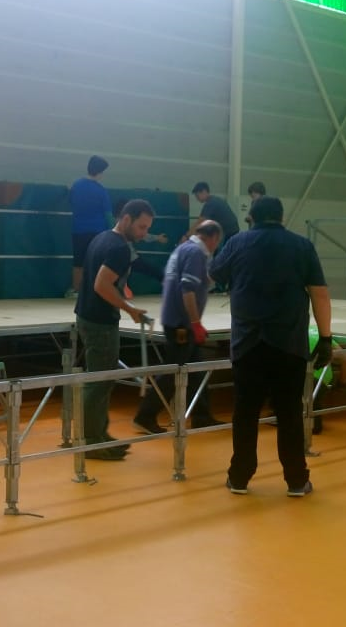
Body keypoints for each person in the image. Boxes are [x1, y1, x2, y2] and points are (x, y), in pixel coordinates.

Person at [210, 196, 331, 497]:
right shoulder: (302, 246)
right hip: (288, 344)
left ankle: (239, 477)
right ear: (281, 217)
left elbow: (214, 274)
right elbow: (319, 293)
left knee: (245, 413)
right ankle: (296, 480)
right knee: (290, 413)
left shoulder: (237, 243)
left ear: (251, 217)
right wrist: (326, 338)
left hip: (248, 344)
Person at [74, 199, 154, 460]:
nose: (144, 233)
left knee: (103, 380)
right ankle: (89, 441)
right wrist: (129, 308)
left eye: (147, 228)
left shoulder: (101, 238)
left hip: (87, 316)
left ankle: (99, 434)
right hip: (100, 321)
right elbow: (101, 284)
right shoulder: (119, 248)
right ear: (127, 219)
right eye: (141, 227)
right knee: (99, 382)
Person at [131, 220, 225, 434]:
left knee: (195, 370)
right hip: (182, 323)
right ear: (213, 238)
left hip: (175, 319)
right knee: (173, 371)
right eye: (217, 241)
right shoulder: (196, 253)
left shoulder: (183, 249)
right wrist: (195, 323)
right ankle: (145, 416)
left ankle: (202, 415)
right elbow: (187, 289)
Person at [68, 156, 112, 298]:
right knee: (97, 262)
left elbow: (71, 201)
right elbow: (108, 214)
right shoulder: (101, 190)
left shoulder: (76, 185)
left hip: (79, 230)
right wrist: (112, 231)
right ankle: (96, 290)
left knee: (78, 262)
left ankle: (76, 291)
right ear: (100, 172)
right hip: (98, 232)